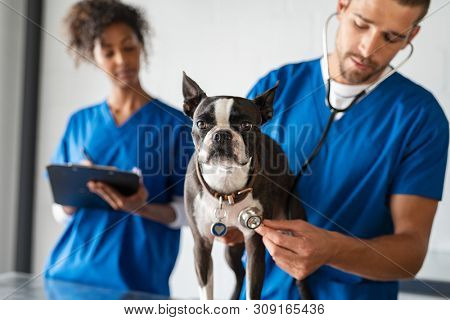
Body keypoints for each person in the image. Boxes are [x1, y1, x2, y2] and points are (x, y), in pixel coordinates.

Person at [225, 0, 449, 299]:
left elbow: (410, 254)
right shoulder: (276, 89)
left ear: (411, 36)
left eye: (392, 37)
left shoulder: (420, 117)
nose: (369, 47)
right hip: (262, 297)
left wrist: (333, 250)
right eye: (361, 24)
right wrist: (230, 222)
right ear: (342, 6)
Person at [44, 0, 193, 297]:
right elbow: (61, 211)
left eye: (128, 47)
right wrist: (77, 190)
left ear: (142, 46)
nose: (121, 60)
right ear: (94, 56)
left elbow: (188, 213)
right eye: (108, 52)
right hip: (67, 278)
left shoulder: (176, 125)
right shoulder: (80, 122)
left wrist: (141, 208)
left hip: (138, 286)